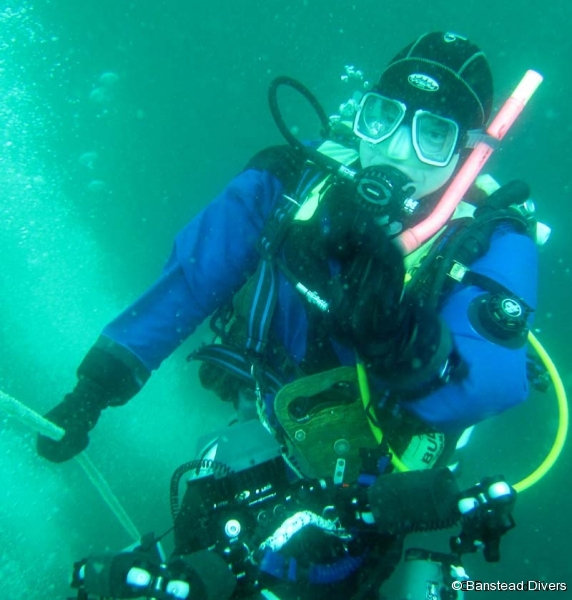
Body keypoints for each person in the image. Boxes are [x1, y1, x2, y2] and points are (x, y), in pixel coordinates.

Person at [39, 32, 540, 599]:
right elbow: (191, 277)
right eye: (383, 118)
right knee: (196, 538)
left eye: (432, 134)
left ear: (469, 151)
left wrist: (394, 333)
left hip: (378, 480)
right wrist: (94, 387)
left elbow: (489, 382)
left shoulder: (490, 239)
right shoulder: (294, 179)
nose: (397, 150)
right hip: (264, 419)